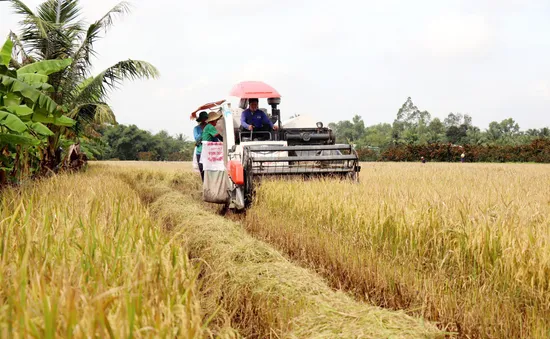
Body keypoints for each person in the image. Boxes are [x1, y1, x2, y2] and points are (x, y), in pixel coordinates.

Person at [193, 111, 208, 181]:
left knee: (209, 170)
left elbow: (215, 139)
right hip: (200, 151)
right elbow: (197, 138)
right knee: (202, 170)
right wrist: (203, 131)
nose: (204, 120)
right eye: (203, 118)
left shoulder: (210, 127)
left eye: (206, 118)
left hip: (209, 152)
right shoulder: (196, 129)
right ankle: (204, 185)